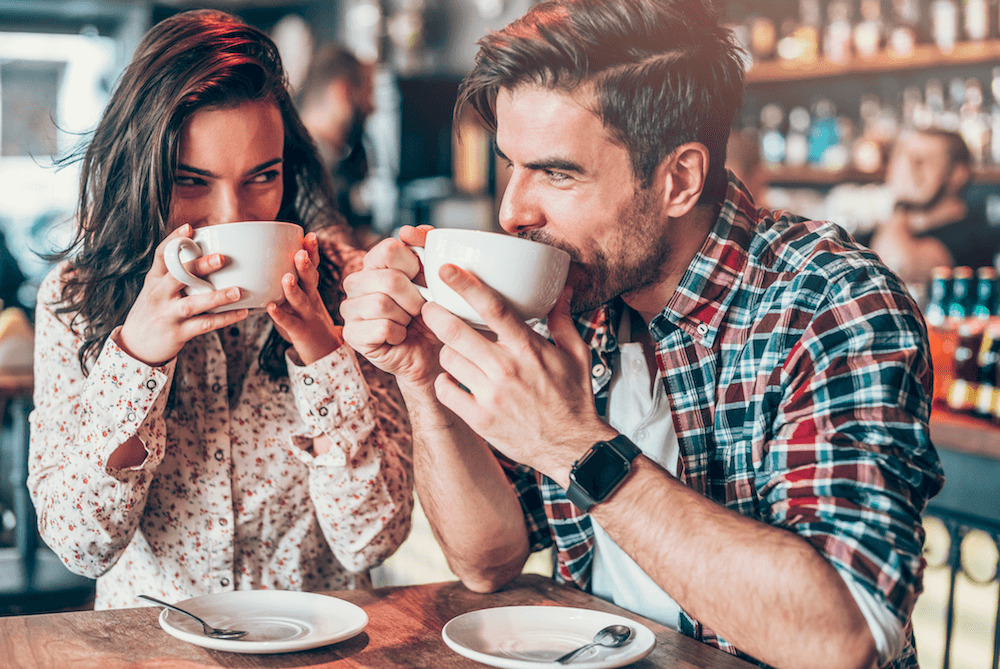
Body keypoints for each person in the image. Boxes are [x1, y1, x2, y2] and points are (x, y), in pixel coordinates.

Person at [339, 1, 944, 667]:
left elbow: (842, 635)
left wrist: (574, 445)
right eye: (512, 165)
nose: (513, 209)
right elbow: (487, 558)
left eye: (557, 172)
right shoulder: (572, 294)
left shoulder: (829, 302)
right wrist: (423, 377)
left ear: (678, 179)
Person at [28, 9, 412, 610]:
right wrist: (136, 359)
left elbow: (371, 542)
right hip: (150, 649)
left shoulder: (346, 285)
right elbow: (82, 547)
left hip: (316, 645)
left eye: (263, 177)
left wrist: (322, 355)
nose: (233, 218)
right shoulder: (78, 298)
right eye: (192, 181)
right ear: (142, 173)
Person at [869, 128, 1000, 298]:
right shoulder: (885, 230)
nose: (906, 170)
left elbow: (899, 266)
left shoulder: (974, 237)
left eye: (921, 160)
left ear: (957, 174)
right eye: (902, 158)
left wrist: (901, 203)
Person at [295, 45, 378, 249]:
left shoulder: (334, 162)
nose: (372, 107)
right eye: (368, 94)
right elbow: (338, 249)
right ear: (343, 92)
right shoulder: (305, 162)